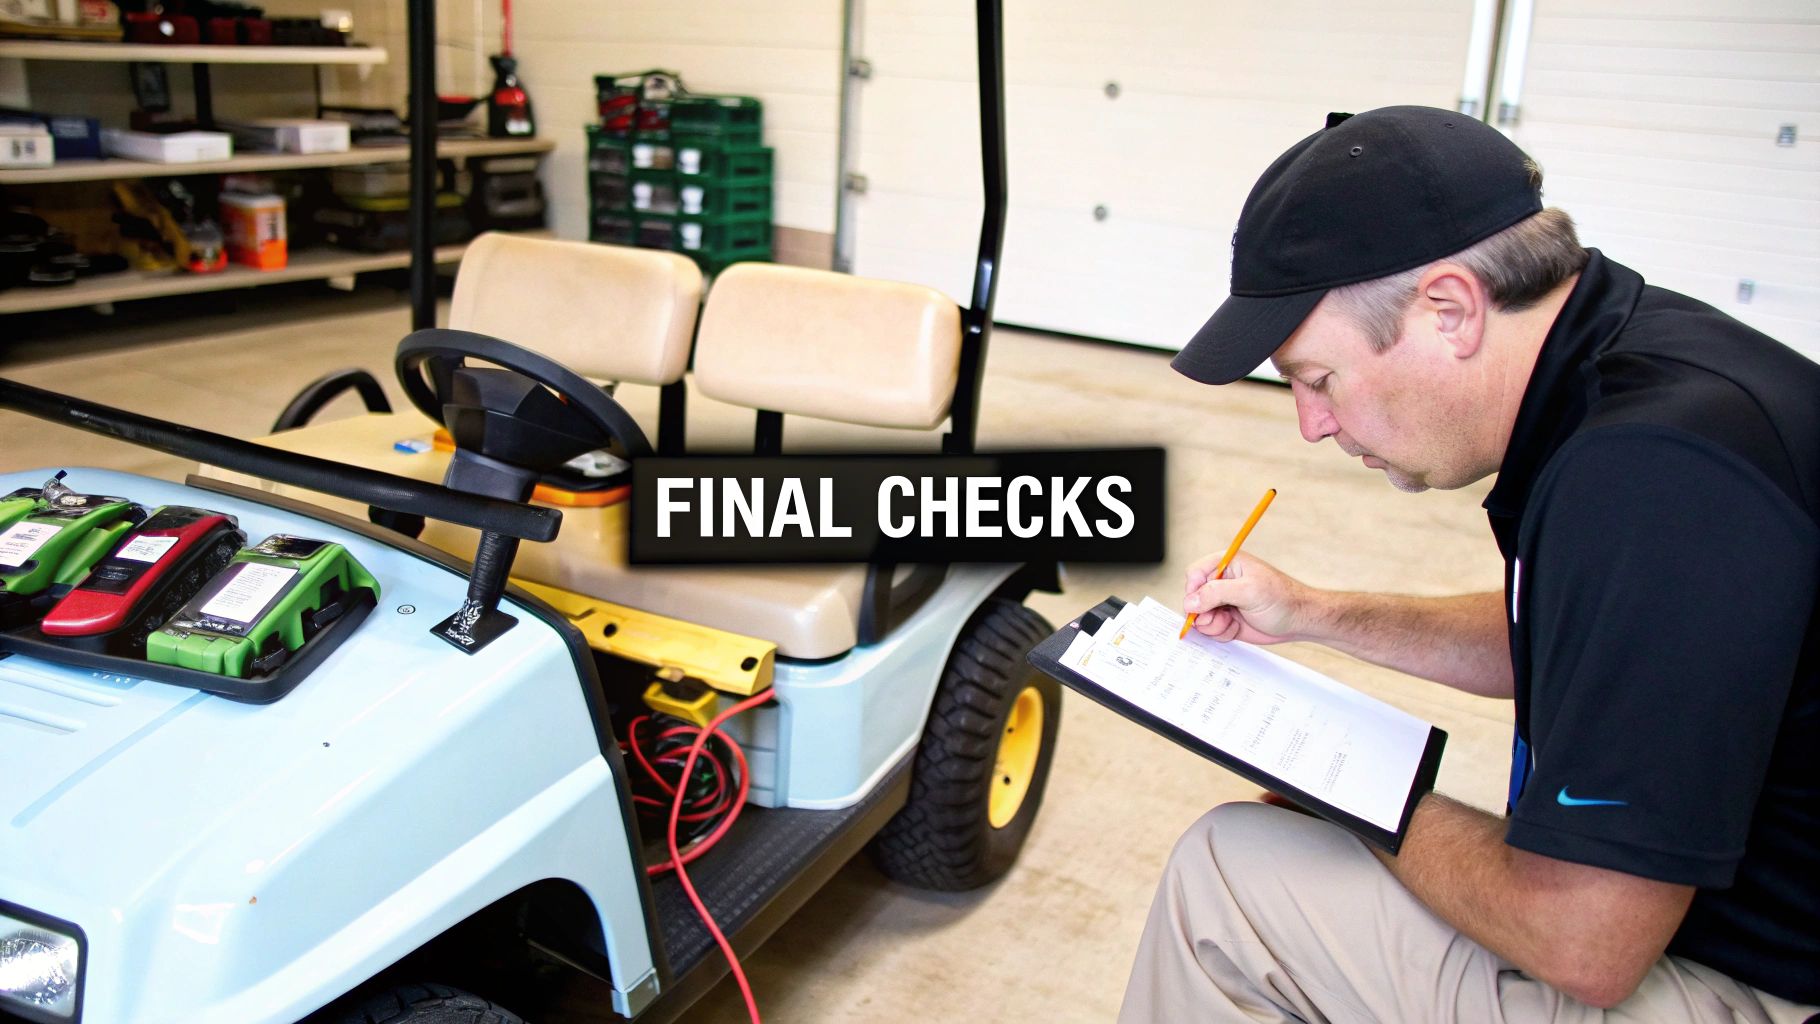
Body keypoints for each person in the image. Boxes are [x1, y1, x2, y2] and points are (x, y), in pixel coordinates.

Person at [1120, 105, 1820, 1023]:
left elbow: (1585, 939)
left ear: (1449, 310)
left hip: (1767, 988)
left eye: (1317, 379)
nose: (1311, 425)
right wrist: (1315, 612)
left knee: (1231, 877)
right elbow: (1579, 635)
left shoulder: (1652, 479)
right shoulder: (1632, 370)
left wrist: (1355, 793)